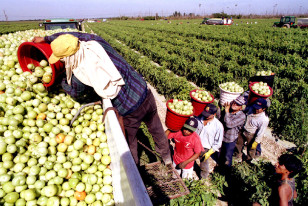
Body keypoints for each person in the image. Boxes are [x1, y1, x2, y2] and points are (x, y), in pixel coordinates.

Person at [32, 32, 172, 165]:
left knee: (129, 143)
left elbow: (75, 93)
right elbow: (77, 36)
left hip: (129, 109)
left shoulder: (79, 77)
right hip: (143, 90)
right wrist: (46, 38)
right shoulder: (96, 43)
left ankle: (135, 172)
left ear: (68, 58)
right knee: (157, 129)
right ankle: (167, 160)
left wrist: (60, 80)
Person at [234, 98, 269, 163]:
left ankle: (249, 160)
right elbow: (244, 110)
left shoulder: (264, 119)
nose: (256, 109)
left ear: (264, 109)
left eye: (258, 109)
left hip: (251, 134)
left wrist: (256, 142)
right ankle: (237, 157)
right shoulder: (251, 108)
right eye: (255, 107)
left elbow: (261, 132)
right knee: (238, 144)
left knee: (251, 149)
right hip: (243, 129)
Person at [195, 104, 224, 178]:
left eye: (208, 115)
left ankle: (203, 177)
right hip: (194, 143)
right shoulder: (199, 118)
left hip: (204, 147)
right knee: (189, 158)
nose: (206, 116)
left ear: (214, 114)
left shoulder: (218, 126)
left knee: (203, 163)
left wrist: (211, 151)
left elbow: (218, 142)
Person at [220, 96, 247, 167]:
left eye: (238, 104)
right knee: (221, 154)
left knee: (227, 157)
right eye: (234, 102)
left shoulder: (241, 116)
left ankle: (226, 173)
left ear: (241, 108)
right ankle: (219, 167)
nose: (234, 105)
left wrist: (226, 112)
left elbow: (229, 124)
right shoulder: (230, 111)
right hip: (222, 136)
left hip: (230, 140)